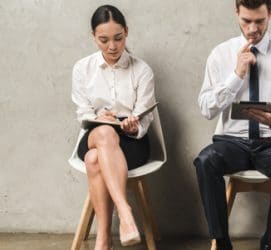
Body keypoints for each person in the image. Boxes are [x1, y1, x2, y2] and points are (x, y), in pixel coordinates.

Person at [193, 0, 271, 249]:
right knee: (205, 161)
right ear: (236, 12)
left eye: (260, 21)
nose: (253, 29)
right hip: (232, 143)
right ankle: (222, 242)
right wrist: (236, 76)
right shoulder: (220, 54)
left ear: (270, 13)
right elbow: (206, 109)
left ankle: (269, 244)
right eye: (246, 21)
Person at [71, 5, 156, 250]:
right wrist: (99, 117)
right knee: (104, 133)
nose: (112, 46)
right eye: (103, 40)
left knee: (94, 160)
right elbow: (83, 113)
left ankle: (103, 240)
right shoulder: (82, 69)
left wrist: (132, 125)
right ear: (93, 37)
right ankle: (125, 213)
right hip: (94, 133)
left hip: (132, 141)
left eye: (118, 38)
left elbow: (146, 117)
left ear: (126, 32)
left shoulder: (142, 70)